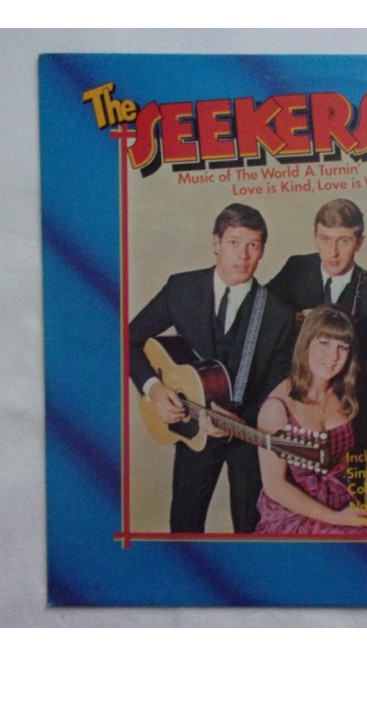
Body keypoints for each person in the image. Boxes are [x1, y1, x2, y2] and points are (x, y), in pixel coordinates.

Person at [128, 203, 294, 534]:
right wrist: (154, 389)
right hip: (192, 425)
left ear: (263, 250)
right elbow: (128, 340)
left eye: (253, 245)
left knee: (251, 529)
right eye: (234, 242)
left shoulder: (279, 314)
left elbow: (278, 389)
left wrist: (240, 421)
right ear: (216, 243)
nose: (243, 255)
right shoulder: (181, 289)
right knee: (184, 526)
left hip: (248, 435)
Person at [266, 199, 367, 455]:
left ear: (359, 242)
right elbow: (262, 310)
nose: (333, 252)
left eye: (343, 241)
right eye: (325, 240)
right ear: (315, 237)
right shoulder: (295, 269)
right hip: (295, 398)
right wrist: (295, 317)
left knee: (348, 473)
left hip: (350, 406)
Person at [255, 305, 367, 535]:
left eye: (342, 347)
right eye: (324, 343)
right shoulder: (277, 407)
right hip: (293, 514)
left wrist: (358, 511)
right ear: (306, 343)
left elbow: (343, 466)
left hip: (338, 502)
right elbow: (275, 487)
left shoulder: (343, 395)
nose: (333, 356)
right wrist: (337, 518)